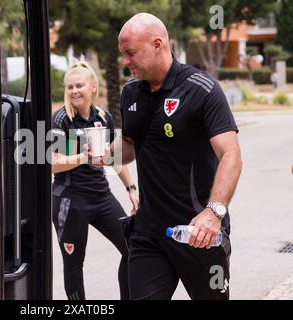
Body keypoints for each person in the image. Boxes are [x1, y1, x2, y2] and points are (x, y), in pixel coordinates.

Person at [111, 13, 243, 300]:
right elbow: (131, 146)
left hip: (198, 234)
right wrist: (107, 153)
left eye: (131, 53)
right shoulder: (130, 93)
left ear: (158, 44)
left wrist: (214, 213)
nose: (125, 62)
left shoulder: (202, 89)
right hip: (148, 234)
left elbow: (231, 155)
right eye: (122, 54)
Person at [51, 61, 139, 300]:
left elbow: (116, 157)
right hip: (70, 201)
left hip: (101, 197)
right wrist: (83, 156)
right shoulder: (61, 120)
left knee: (133, 248)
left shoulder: (104, 117)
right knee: (73, 264)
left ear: (93, 87)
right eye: (69, 87)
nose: (74, 91)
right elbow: (54, 163)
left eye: (79, 85)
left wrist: (131, 188)